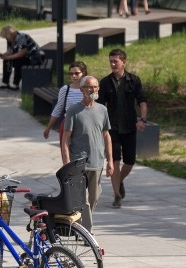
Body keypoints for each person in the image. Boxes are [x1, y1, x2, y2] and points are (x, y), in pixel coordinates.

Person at [61, 75, 114, 232]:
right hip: (79, 162)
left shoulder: (102, 110)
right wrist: (67, 163)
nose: (92, 90)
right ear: (82, 89)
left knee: (94, 197)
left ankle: (81, 225)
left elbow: (106, 136)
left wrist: (110, 160)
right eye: (89, 87)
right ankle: (87, 231)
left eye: (95, 87)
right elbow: (65, 139)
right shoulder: (73, 111)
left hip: (97, 161)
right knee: (83, 200)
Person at [97, 49, 148, 208]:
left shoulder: (134, 80)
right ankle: (117, 195)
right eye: (110, 61)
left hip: (129, 126)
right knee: (114, 161)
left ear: (123, 62)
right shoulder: (105, 82)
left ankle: (119, 182)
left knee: (130, 161)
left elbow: (142, 101)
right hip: (112, 129)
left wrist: (143, 119)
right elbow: (100, 106)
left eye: (115, 61)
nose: (112, 64)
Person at [43, 61, 88, 144]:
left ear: (84, 73)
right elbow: (58, 108)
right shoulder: (65, 89)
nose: (73, 76)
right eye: (71, 74)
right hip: (68, 124)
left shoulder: (89, 89)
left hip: (85, 124)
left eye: (76, 73)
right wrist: (48, 127)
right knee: (67, 153)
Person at [0, 25, 44, 90]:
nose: (5, 39)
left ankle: (15, 84)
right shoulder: (10, 40)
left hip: (35, 58)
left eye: (6, 37)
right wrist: (4, 55)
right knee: (6, 61)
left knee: (18, 61)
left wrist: (9, 57)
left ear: (10, 34)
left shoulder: (21, 37)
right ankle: (5, 83)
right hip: (26, 57)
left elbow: (21, 53)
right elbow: (10, 51)